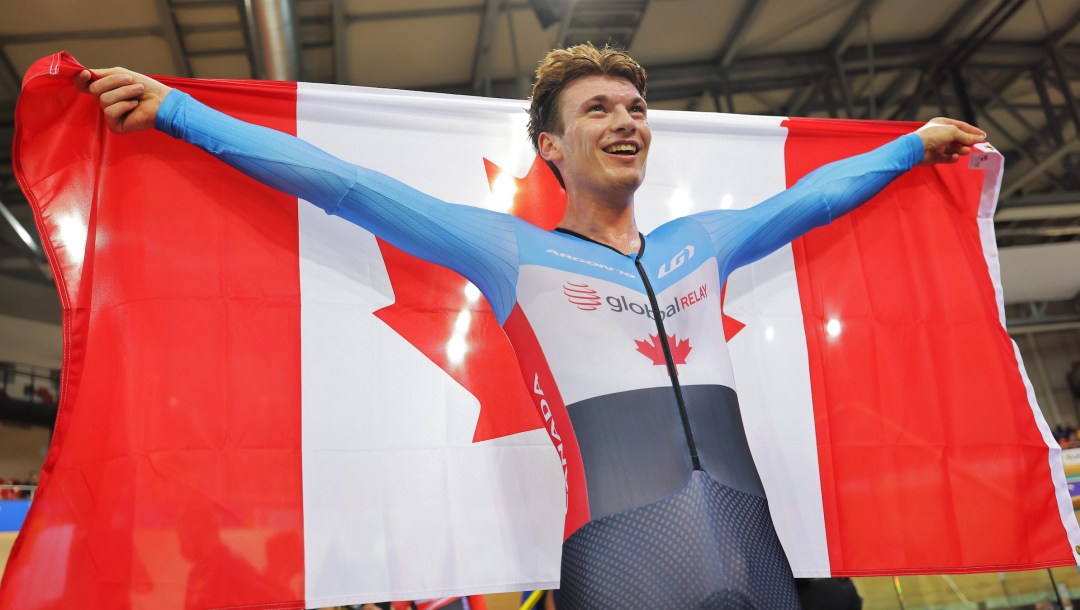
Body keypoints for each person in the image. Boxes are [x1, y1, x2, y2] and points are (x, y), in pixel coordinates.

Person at [77, 44, 984, 609]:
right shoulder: (510, 253)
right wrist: (183, 116)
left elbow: (817, 196)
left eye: (634, 109)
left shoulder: (704, 242)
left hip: (755, 550)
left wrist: (912, 146)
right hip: (622, 565)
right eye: (598, 109)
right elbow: (347, 185)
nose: (625, 121)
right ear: (550, 149)